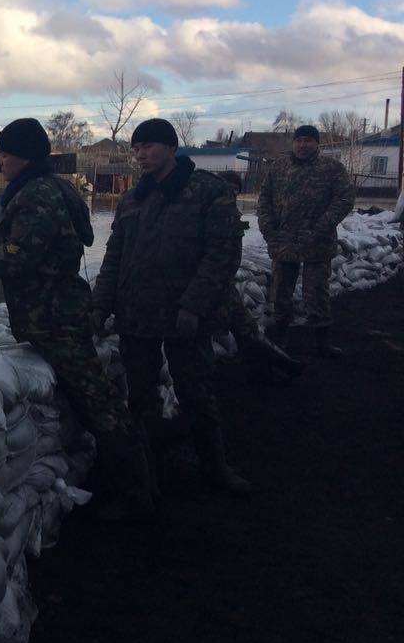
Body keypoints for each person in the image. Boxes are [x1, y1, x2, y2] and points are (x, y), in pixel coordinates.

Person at [0, 117, 157, 521]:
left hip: (56, 318)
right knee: (88, 400)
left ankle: (138, 496)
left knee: (101, 404)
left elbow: (23, 257)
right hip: (55, 313)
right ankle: (127, 482)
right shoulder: (51, 187)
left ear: (24, 156)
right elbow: (37, 243)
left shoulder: (36, 194)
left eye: (4, 154)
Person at [92, 118, 252, 496]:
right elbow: (114, 257)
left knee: (196, 393)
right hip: (137, 314)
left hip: (185, 315)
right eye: (136, 148)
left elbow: (222, 255)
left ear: (171, 148)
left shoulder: (208, 193)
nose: (141, 154)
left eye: (148, 146)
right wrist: (100, 306)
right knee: (140, 397)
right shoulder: (134, 198)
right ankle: (148, 473)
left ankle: (215, 467)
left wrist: (194, 307)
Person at [257, 124, 355, 357]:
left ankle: (322, 341)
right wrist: (268, 230)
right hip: (284, 240)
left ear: (317, 144)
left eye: (308, 141)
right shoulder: (278, 167)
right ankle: (282, 335)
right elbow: (265, 199)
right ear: (293, 143)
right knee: (281, 291)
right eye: (299, 140)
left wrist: (321, 226)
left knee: (316, 293)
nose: (303, 145)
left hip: (317, 242)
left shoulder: (331, 168)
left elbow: (344, 199)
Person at [220, 172, 306, 384]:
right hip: (215, 279)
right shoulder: (214, 211)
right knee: (243, 326)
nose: (230, 193)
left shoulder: (227, 213)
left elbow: (229, 255)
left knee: (243, 326)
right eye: (226, 188)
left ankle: (275, 364)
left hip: (218, 281)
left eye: (234, 190)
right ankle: (274, 363)